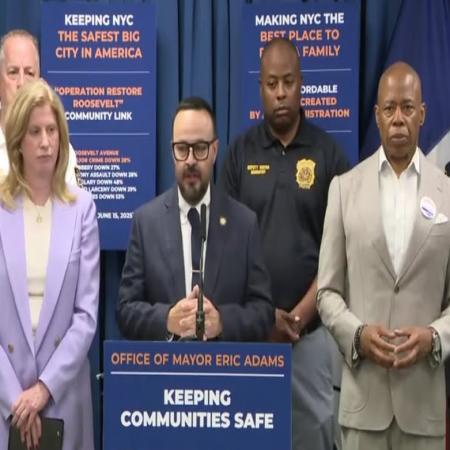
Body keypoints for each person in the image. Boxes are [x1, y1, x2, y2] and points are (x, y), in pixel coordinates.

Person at [220, 37, 349, 450]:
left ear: (301, 84)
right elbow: (225, 249)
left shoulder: (329, 156)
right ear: (260, 87)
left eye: (288, 82)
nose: (280, 93)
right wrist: (264, 317)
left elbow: (340, 251)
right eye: (272, 83)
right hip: (251, 338)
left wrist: (297, 317)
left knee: (314, 437)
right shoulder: (239, 155)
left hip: (311, 338)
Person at [317, 61, 450, 450]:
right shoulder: (343, 190)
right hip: (363, 408)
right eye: (389, 108)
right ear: (376, 116)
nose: (398, 119)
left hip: (423, 409)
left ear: (422, 114)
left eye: (407, 108)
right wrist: (357, 336)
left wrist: (434, 337)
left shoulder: (447, 194)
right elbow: (327, 292)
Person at [117, 96, 273, 341]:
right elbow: (125, 310)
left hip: (224, 364)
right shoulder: (145, 223)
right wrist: (167, 319)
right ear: (172, 151)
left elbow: (264, 313)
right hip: (165, 364)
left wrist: (222, 322)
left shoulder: (244, 224)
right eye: (182, 149)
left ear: (214, 150)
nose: (190, 160)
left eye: (200, 148)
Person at [0, 79, 100, 450]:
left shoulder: (82, 209)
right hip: (6, 401)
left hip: (63, 397)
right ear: (17, 142)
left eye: (52, 131)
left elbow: (85, 317)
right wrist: (16, 398)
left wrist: (43, 389)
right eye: (35, 132)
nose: (46, 142)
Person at [0, 29, 80, 185]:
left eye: (29, 73)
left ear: (39, 81)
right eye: (13, 72)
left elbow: (74, 200)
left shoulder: (59, 150)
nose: (21, 83)